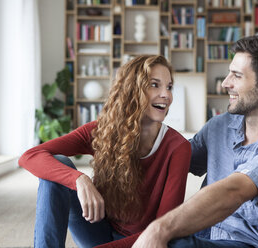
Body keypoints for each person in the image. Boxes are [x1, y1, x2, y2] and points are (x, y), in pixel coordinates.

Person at [130, 35, 258, 248]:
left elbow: (234, 191)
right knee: (87, 205)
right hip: (204, 236)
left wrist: (159, 228)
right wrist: (84, 177)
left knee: (170, 240)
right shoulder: (220, 125)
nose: (225, 83)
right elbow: (172, 160)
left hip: (249, 244)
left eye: (236, 75)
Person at [18, 55, 191, 247]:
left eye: (169, 87)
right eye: (154, 85)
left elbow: (163, 229)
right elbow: (30, 156)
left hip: (142, 242)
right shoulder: (102, 130)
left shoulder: (178, 148)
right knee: (58, 164)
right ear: (131, 89)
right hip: (96, 228)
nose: (166, 95)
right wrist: (79, 179)